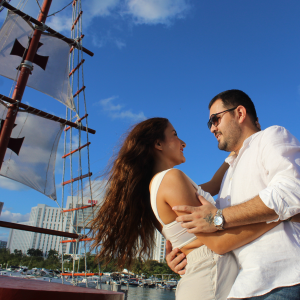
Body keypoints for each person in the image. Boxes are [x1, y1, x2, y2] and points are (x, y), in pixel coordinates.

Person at [89, 117, 283, 300]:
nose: (183, 143)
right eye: (174, 134)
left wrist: (242, 144)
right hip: (208, 279)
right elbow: (219, 244)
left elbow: (215, 184)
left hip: (205, 276)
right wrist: (280, 216)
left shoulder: (160, 186)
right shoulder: (171, 179)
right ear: (158, 144)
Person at [167, 89, 300, 299]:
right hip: (242, 286)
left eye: (215, 119)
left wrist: (219, 218)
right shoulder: (229, 171)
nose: (212, 128)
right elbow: (211, 225)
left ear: (239, 113)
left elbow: (293, 191)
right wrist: (182, 253)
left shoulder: (271, 136)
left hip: (284, 281)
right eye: (210, 123)